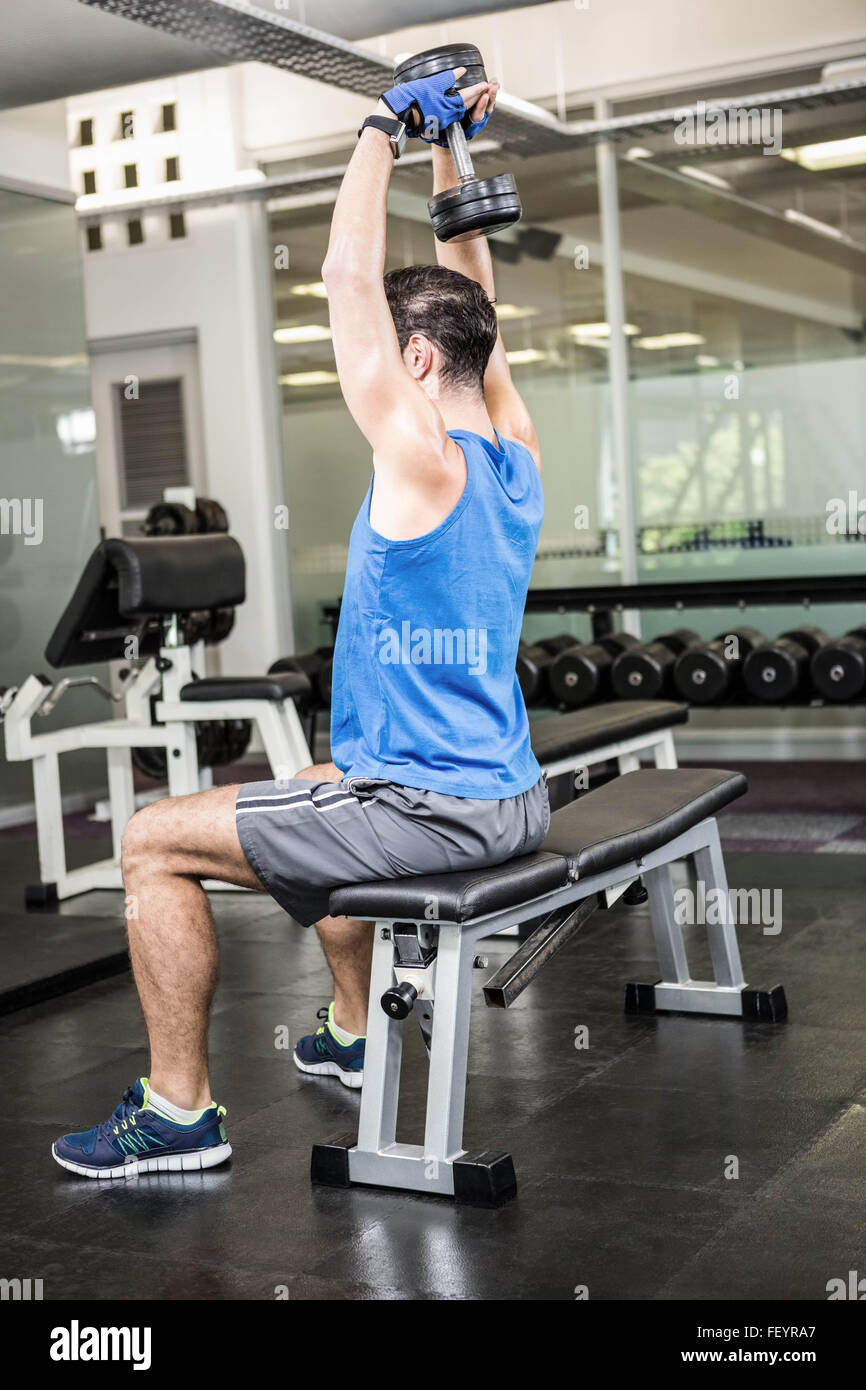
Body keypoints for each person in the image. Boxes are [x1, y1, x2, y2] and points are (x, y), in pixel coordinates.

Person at [52, 65, 547, 1179]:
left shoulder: (419, 459)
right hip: (503, 795)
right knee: (324, 778)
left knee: (147, 841)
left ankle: (177, 1112)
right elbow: (480, 309)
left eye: (393, 348)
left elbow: (339, 274)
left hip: (430, 813)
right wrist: (447, 147)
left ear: (416, 360)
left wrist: (380, 124)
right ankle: (349, 1031)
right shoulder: (511, 451)